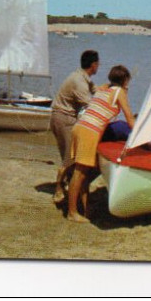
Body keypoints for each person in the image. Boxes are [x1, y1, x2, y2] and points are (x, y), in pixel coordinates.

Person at [66, 65, 135, 223]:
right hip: (90, 131)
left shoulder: (103, 89)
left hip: (80, 127)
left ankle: (84, 209)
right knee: (80, 172)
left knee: (85, 171)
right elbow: (130, 118)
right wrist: (140, 137)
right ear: (125, 80)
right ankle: (72, 212)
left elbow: (107, 94)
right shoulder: (119, 92)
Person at [51, 50, 99, 205]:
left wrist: (109, 90)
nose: (98, 66)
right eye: (98, 64)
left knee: (70, 157)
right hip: (64, 119)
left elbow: (94, 90)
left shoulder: (82, 77)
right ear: (94, 65)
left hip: (63, 117)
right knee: (69, 158)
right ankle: (59, 189)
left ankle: (71, 188)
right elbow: (91, 105)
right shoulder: (79, 82)